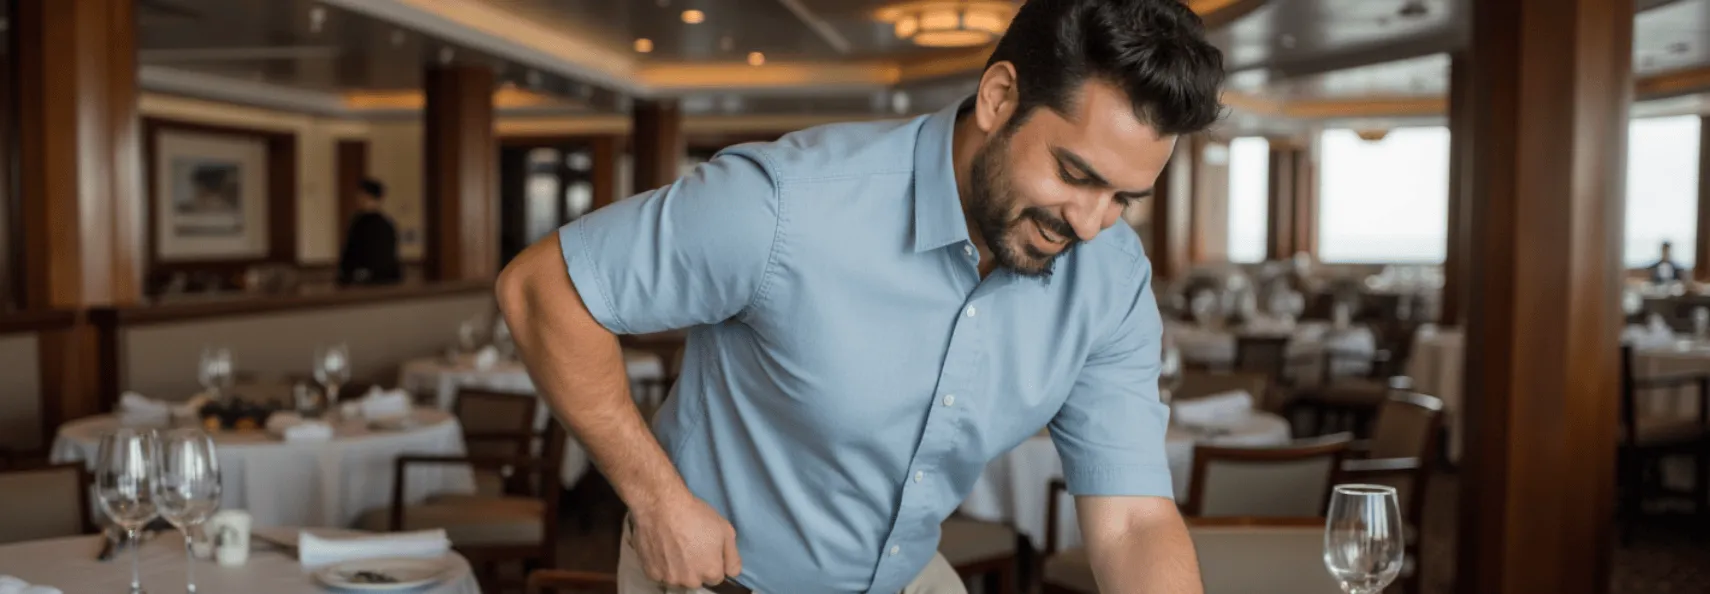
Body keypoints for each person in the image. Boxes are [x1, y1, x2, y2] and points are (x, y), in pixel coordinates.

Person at [496, 0, 1224, 591]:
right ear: (1000, 98)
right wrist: (655, 498)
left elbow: (1134, 520)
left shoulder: (1111, 276)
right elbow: (541, 289)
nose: (1091, 224)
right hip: (720, 582)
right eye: (1075, 174)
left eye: (1123, 199)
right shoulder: (786, 204)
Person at [337, 178, 402, 286]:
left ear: (366, 196)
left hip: (369, 277)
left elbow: (353, 253)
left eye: (359, 194)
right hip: (383, 277)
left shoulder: (363, 223)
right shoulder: (386, 223)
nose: (357, 198)